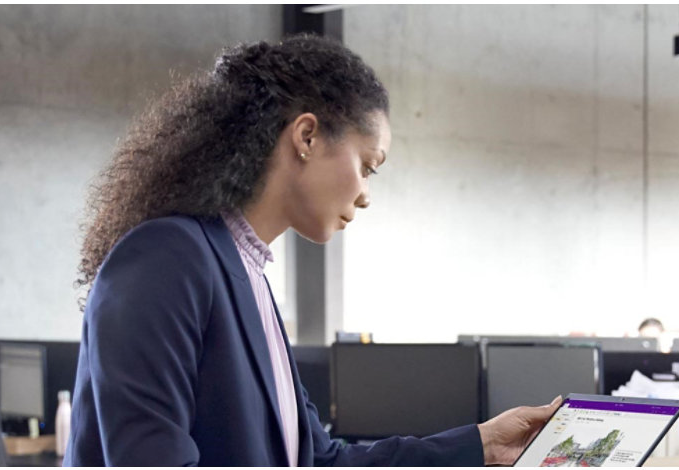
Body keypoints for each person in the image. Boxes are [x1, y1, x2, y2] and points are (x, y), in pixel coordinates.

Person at [64, 34, 560, 467]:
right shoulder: (166, 257)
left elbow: (319, 460)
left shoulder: (246, 274)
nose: (365, 194)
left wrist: (481, 445)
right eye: (368, 165)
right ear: (306, 135)